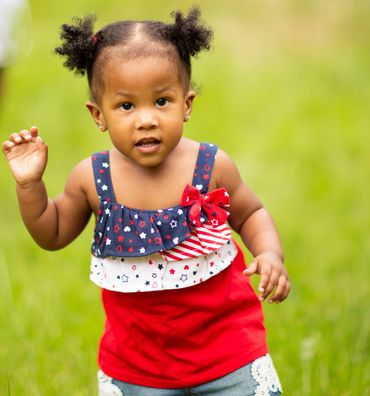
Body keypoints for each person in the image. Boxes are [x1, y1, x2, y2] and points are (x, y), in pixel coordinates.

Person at [2, 8, 290, 396]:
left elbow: (251, 211)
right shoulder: (92, 178)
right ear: (98, 114)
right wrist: (30, 185)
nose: (146, 119)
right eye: (126, 106)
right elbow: (51, 233)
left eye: (162, 101)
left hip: (229, 353)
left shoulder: (211, 165)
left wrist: (269, 253)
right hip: (138, 367)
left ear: (187, 104)